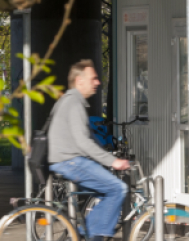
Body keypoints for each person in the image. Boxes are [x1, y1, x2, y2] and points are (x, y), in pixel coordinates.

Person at [48, 60, 130, 241]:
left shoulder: (69, 101)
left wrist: (107, 156)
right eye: (93, 78)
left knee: (104, 193)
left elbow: (89, 138)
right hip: (71, 161)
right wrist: (112, 161)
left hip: (66, 160)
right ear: (79, 81)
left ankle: (87, 234)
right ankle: (84, 235)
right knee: (118, 189)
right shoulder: (74, 104)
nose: (98, 82)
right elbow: (83, 142)